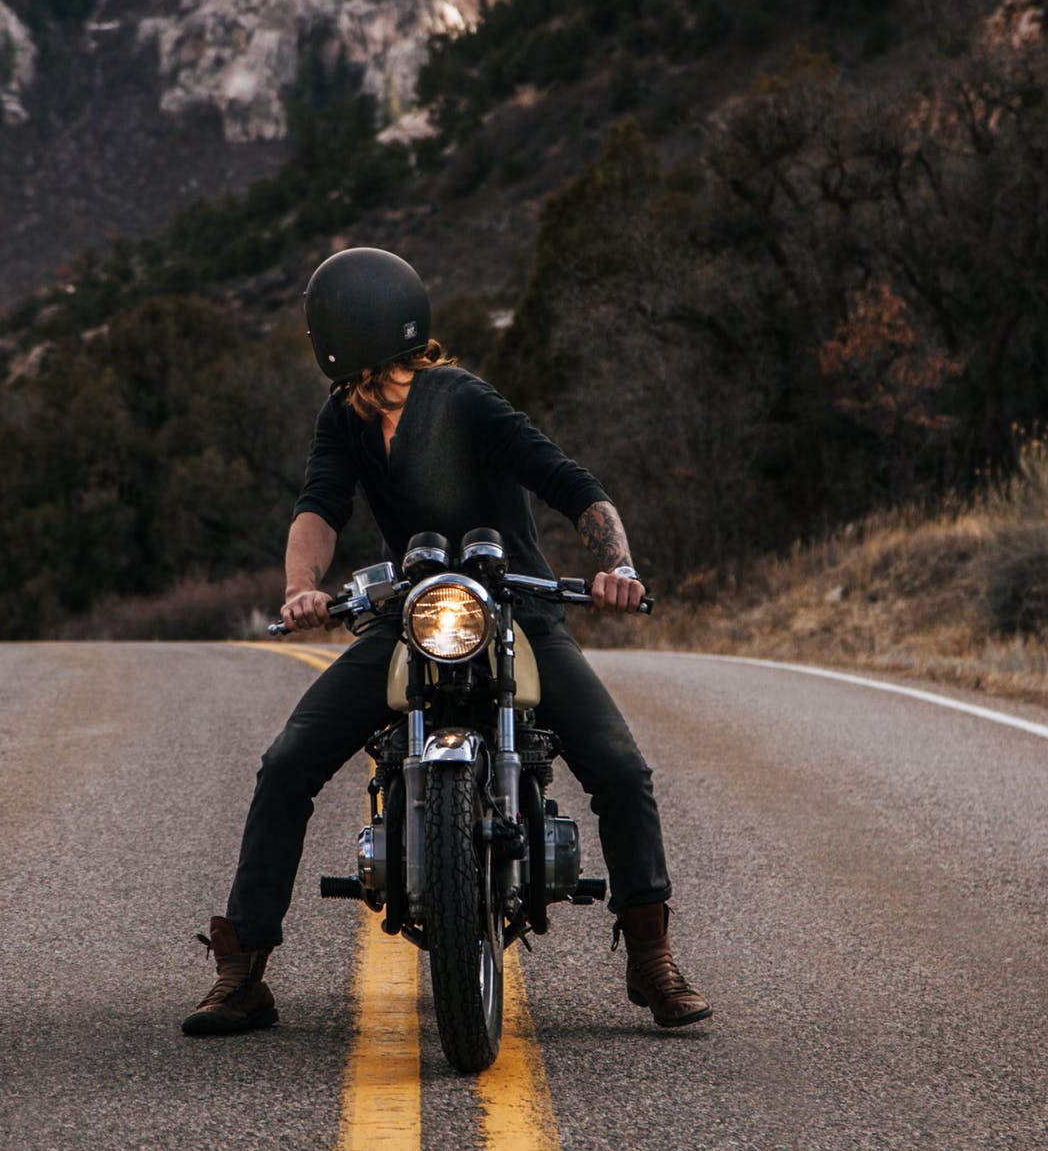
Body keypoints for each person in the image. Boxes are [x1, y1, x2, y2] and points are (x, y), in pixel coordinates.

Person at [183, 247, 710, 1036]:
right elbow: (318, 510)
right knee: (288, 762)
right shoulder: (346, 418)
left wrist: (617, 566)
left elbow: (572, 483)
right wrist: (301, 588)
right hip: (415, 611)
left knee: (621, 769)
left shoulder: (462, 398)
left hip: (516, 610)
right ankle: (243, 966)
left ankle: (651, 955)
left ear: (333, 333)